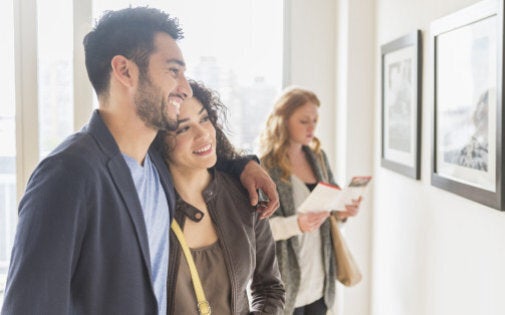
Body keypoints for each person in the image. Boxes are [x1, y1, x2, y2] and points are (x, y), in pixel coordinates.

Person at [1, 7, 278, 314]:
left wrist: (245, 166)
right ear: (124, 71)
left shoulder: (156, 169)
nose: (184, 88)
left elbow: (198, 159)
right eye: (173, 71)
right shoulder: (69, 173)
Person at [155, 80, 285, 314]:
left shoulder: (246, 197)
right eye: (184, 128)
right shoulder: (148, 207)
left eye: (204, 119)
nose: (203, 133)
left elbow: (269, 288)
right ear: (158, 140)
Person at [259, 86, 361, 314]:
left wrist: (342, 213)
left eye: (315, 120)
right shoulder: (264, 166)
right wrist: (297, 224)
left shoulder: (318, 158)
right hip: (287, 281)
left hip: (320, 278)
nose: (311, 127)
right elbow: (259, 228)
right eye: (304, 121)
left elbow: (330, 211)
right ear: (283, 121)